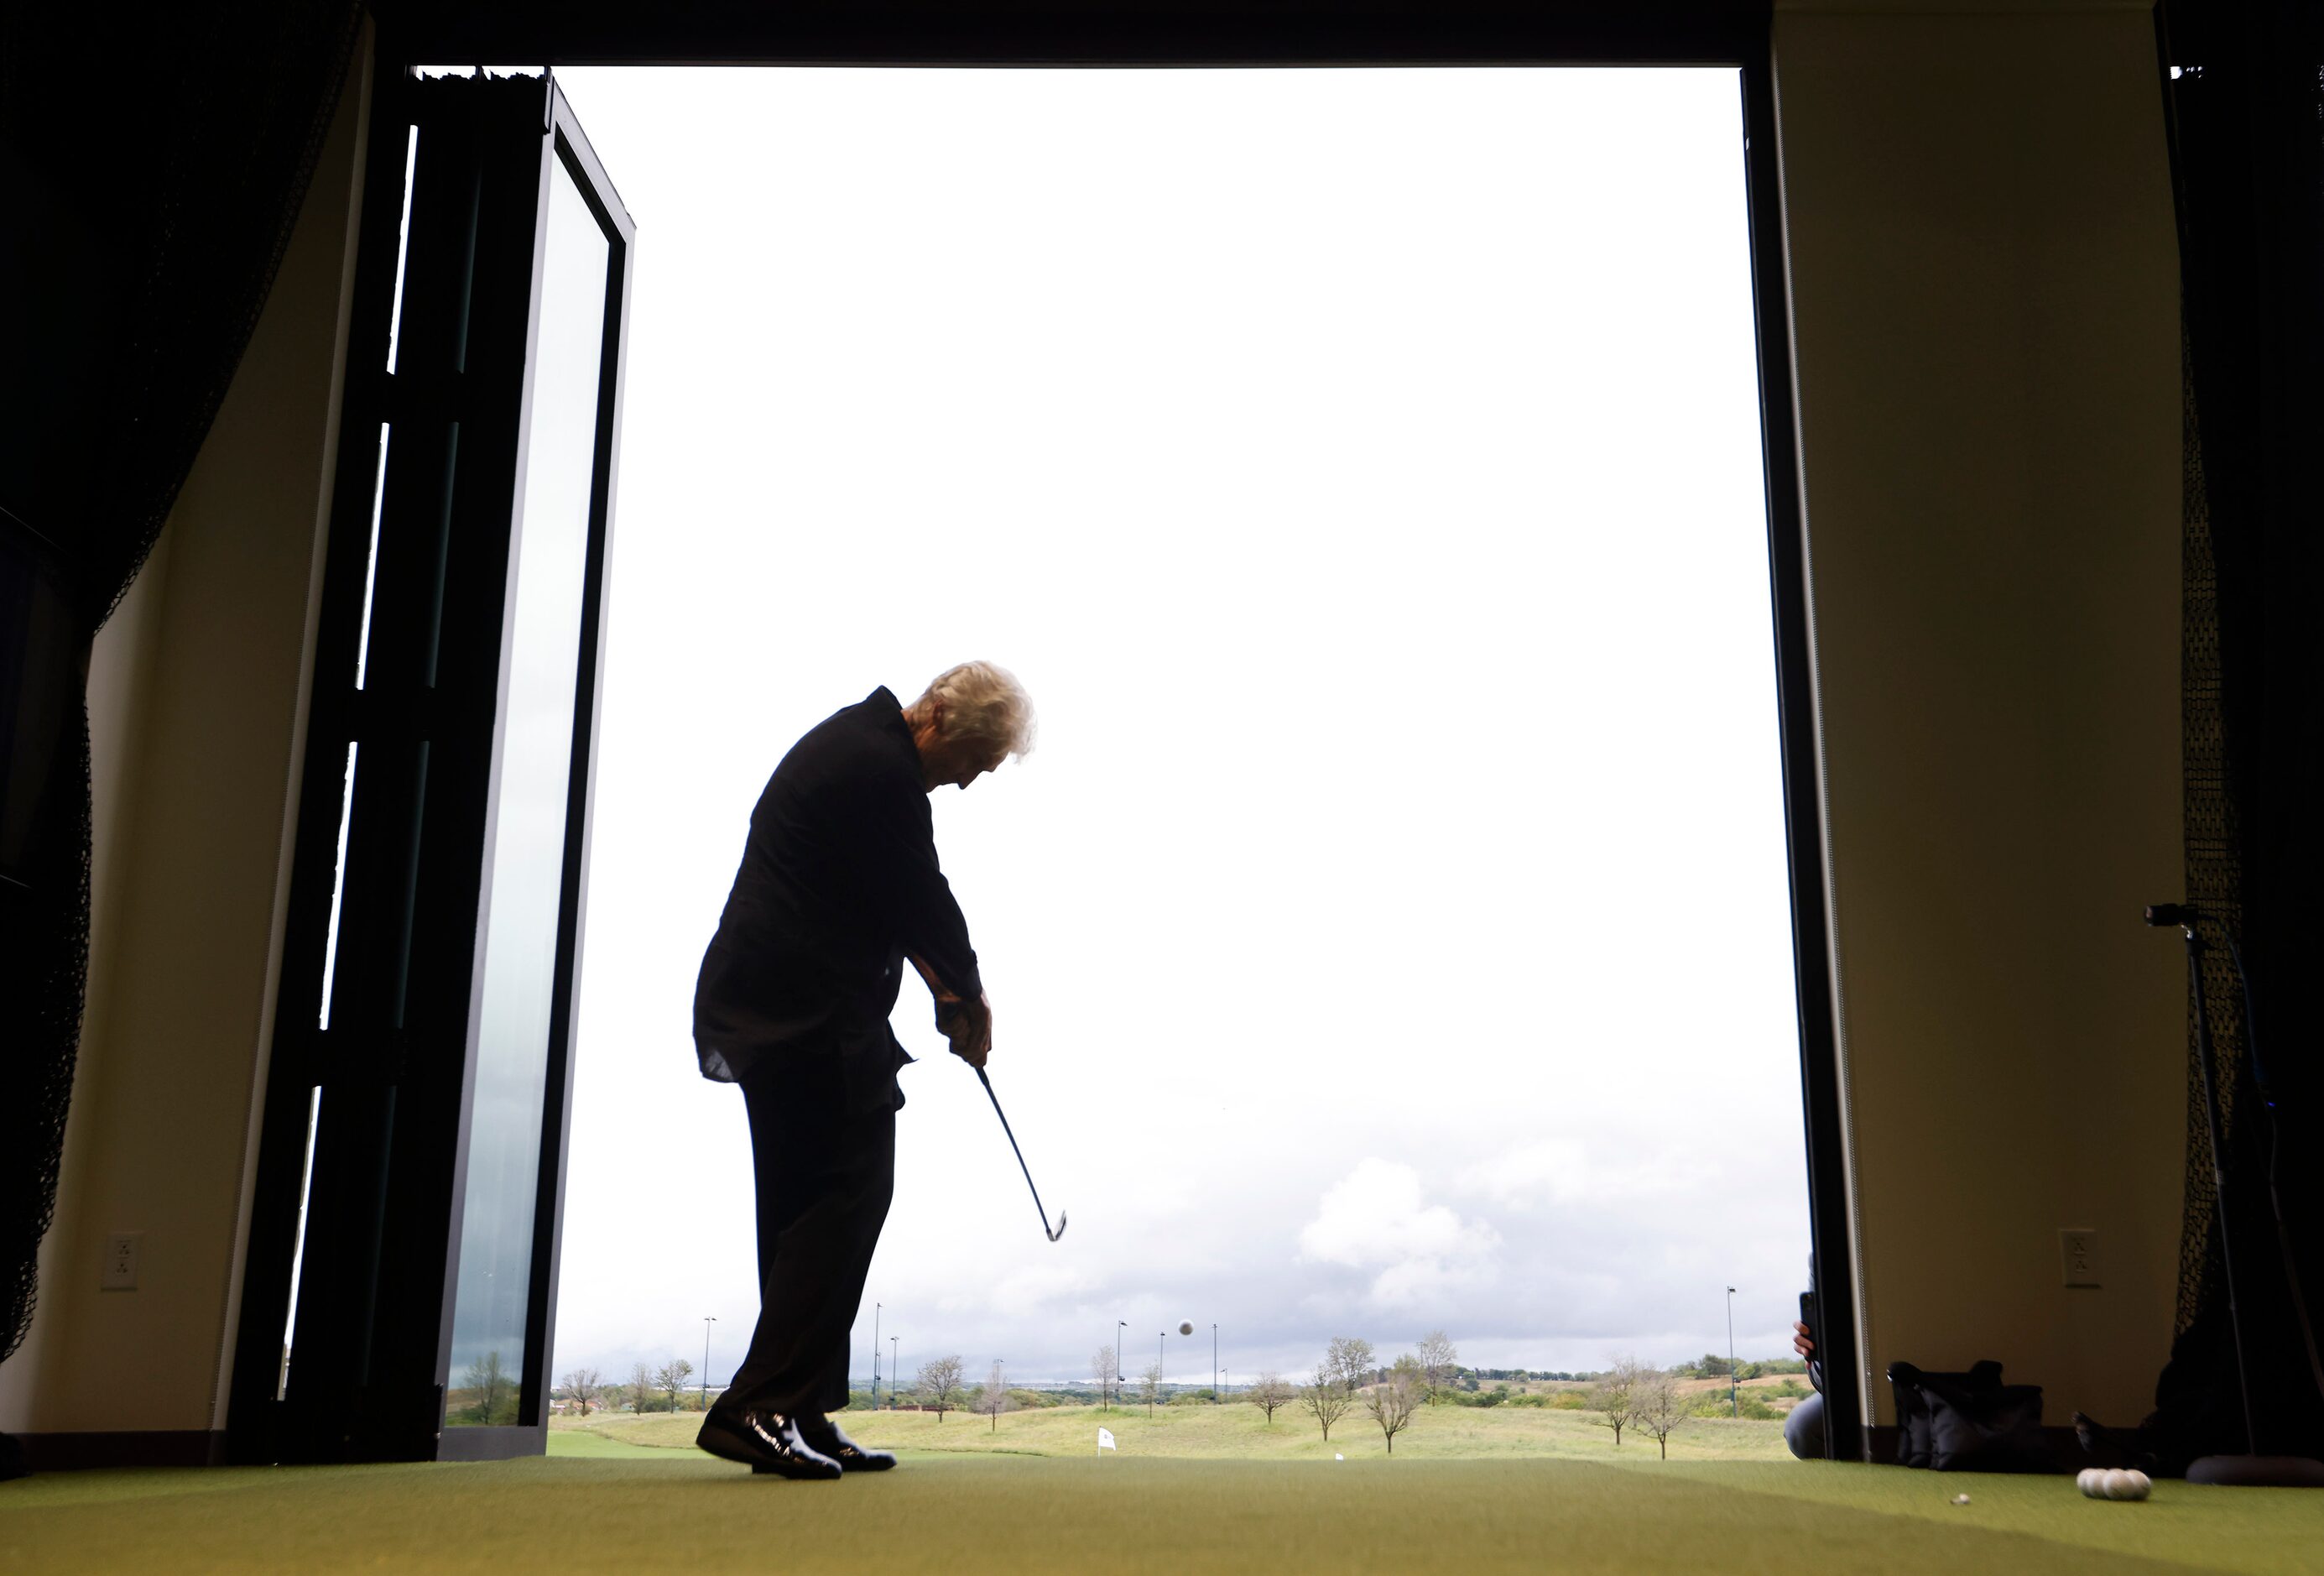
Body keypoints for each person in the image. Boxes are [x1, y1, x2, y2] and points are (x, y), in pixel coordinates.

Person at [690, 662, 1035, 1479]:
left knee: (806, 1204)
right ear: (938, 718)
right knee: (845, 1192)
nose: (964, 784)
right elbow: (921, 897)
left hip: (782, 1009)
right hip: (799, 1014)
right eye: (972, 763)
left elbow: (890, 902)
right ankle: (759, 1405)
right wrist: (970, 998)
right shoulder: (877, 770)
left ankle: (795, 1408)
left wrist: (949, 994)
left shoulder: (859, 751)